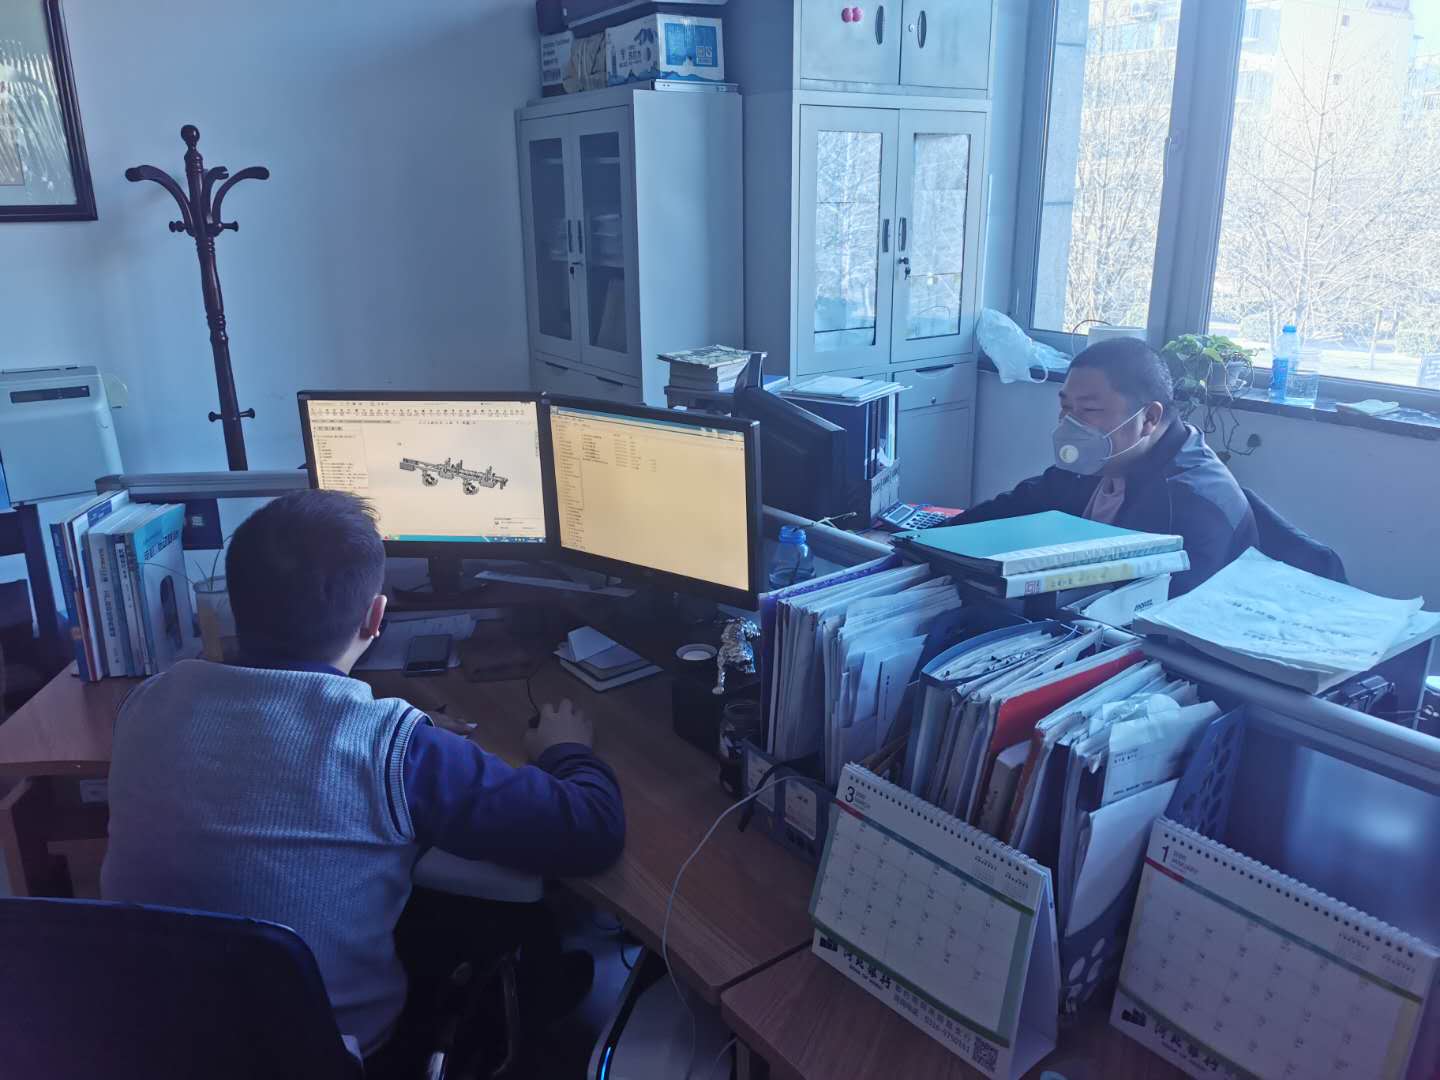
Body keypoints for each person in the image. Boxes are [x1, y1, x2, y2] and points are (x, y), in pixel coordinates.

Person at [101, 489, 625, 1067]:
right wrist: (566, 749)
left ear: (233, 604)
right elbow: (592, 830)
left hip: (153, 1046)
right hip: (334, 1056)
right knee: (505, 911)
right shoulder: (389, 747)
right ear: (376, 616)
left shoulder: (148, 702)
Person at [964, 337, 1257, 595]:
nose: (1070, 423)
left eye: (1089, 409)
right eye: (1066, 407)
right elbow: (1022, 504)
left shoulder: (1193, 503)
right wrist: (940, 537)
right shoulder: (1105, 460)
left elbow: (1159, 613)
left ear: (1149, 419)